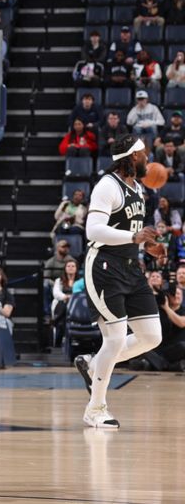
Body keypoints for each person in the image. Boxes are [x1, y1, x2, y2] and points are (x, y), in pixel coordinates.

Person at [75, 134, 164, 429]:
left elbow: (132, 231)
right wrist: (133, 237)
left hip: (129, 266)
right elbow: (93, 230)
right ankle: (95, 408)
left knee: (152, 336)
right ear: (131, 158)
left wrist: (147, 245)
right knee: (113, 339)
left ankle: (92, 364)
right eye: (144, 155)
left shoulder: (138, 188)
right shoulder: (107, 186)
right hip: (103, 266)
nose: (148, 160)